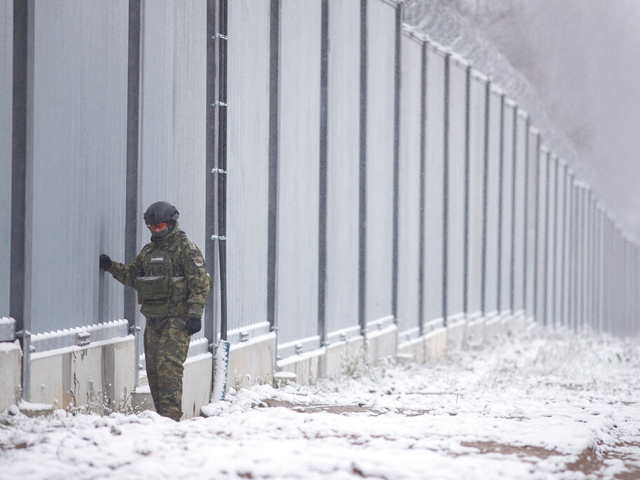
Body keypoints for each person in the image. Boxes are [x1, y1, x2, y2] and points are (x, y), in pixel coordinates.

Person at [99, 201, 211, 421]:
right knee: (153, 369)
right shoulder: (149, 251)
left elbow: (201, 283)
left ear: (171, 223)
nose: (156, 230)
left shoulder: (185, 248)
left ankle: (171, 420)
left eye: (159, 226)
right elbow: (133, 275)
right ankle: (162, 419)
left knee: (168, 367)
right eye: (152, 227)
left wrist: (195, 314)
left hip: (178, 319)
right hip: (154, 318)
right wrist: (111, 266)